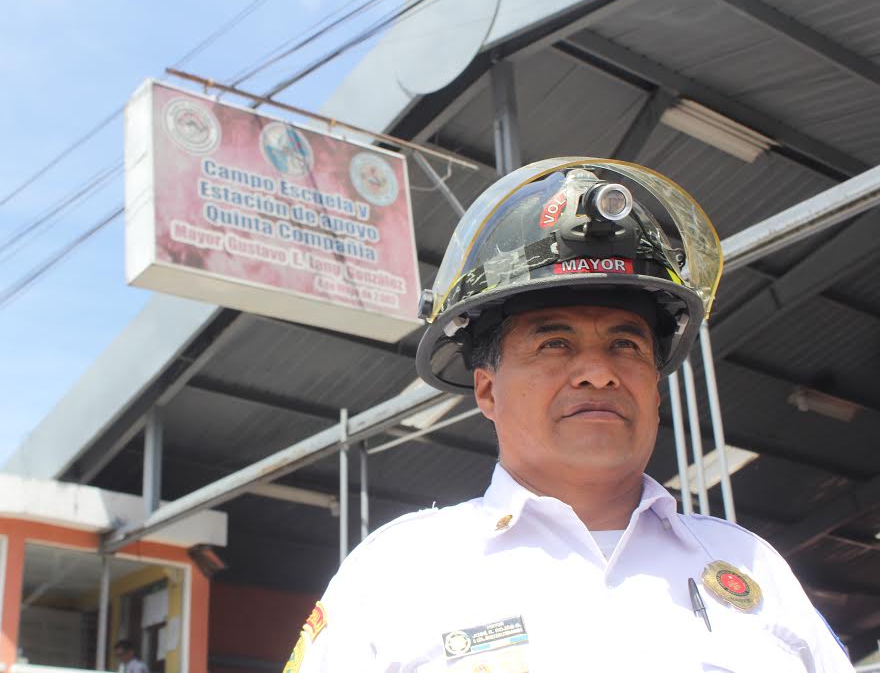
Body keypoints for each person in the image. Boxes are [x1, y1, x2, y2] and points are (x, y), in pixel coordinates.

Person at [285, 159, 853, 672]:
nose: (598, 372)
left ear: (655, 386)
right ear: (486, 391)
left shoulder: (749, 566)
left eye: (626, 345)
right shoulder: (399, 573)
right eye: (554, 344)